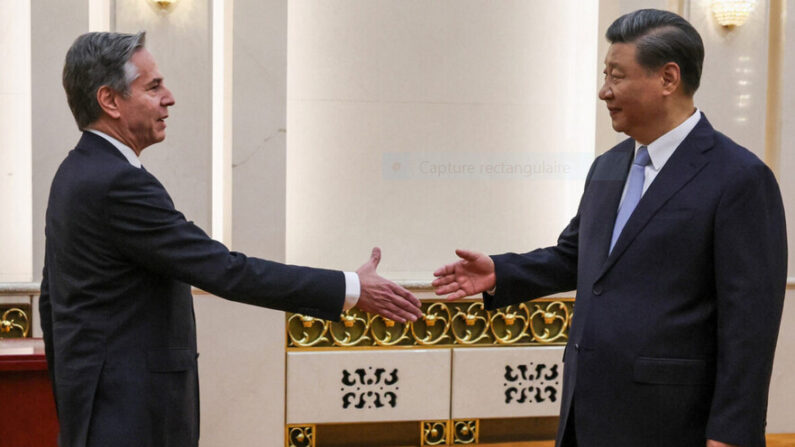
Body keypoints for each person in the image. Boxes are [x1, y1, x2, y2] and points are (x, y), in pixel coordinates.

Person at [40, 31, 423, 447]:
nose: (170, 97)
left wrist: (76, 398)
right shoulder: (117, 183)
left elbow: (51, 301)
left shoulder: (76, 172)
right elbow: (224, 270)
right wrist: (350, 288)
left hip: (100, 410)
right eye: (153, 87)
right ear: (109, 101)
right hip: (131, 418)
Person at [432, 9, 786, 447]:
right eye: (605, 74)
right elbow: (576, 256)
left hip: (673, 423)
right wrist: (500, 273)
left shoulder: (739, 178)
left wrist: (732, 434)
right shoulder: (609, 165)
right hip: (586, 411)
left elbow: (750, 325)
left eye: (617, 76)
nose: (604, 91)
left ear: (668, 78)